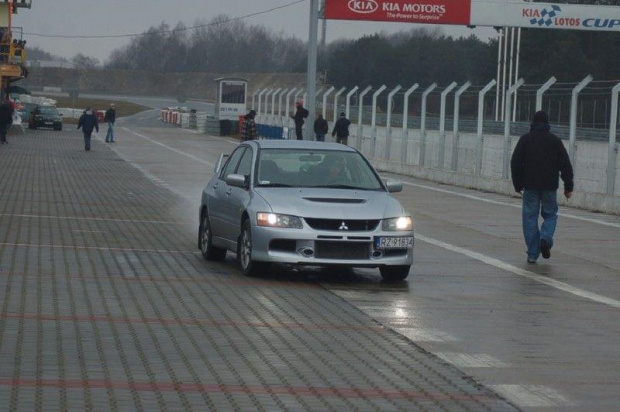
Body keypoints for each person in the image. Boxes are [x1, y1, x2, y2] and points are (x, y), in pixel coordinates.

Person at [510, 110, 574, 264]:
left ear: (532, 122)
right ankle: (545, 239)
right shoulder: (555, 141)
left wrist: (517, 184)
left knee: (530, 217)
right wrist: (568, 186)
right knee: (550, 214)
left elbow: (515, 162)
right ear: (547, 123)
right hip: (550, 186)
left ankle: (532, 253)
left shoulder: (525, 140)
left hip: (530, 185)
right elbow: (565, 165)